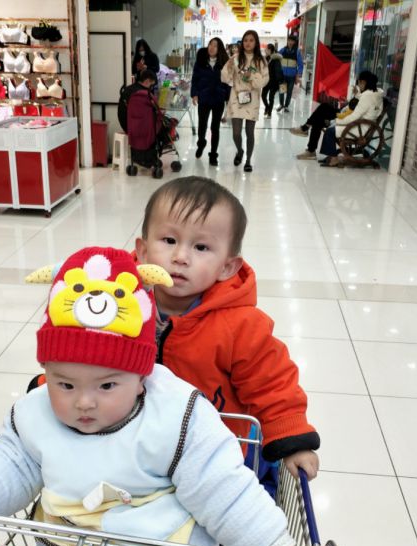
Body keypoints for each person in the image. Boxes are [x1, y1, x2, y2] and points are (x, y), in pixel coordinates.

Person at [0, 246, 298, 546]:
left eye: (106, 386)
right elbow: (13, 460)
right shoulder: (37, 413)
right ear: (46, 371)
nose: (84, 402)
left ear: (142, 377)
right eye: (65, 384)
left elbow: (220, 485)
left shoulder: (176, 415)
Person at [135, 177, 320, 481]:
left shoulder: (242, 326)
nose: (180, 257)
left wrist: (292, 439)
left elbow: (271, 383)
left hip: (215, 453)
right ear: (142, 251)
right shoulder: (119, 301)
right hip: (136, 441)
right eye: (168, 240)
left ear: (227, 267)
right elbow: (85, 349)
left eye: (201, 247)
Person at [291, 70, 383, 164]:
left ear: (363, 82)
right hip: (353, 120)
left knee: (322, 115)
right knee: (321, 113)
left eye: (358, 82)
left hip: (356, 126)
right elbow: (358, 108)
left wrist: (335, 121)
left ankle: (309, 140)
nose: (358, 85)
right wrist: (356, 96)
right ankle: (307, 137)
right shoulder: (373, 94)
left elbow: (355, 116)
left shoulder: (367, 97)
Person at [221, 30, 268, 172]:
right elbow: (225, 76)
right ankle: (240, 150)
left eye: (251, 40)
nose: (248, 43)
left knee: (249, 132)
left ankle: (248, 160)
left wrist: (252, 76)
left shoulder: (261, 60)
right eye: (245, 40)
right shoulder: (235, 58)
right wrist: (229, 68)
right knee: (236, 133)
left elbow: (264, 80)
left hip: (252, 99)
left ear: (256, 42)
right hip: (236, 98)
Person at [190, 37, 230, 166]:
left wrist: (227, 98)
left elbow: (228, 83)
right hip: (204, 98)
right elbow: (195, 79)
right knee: (202, 125)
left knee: (215, 128)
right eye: (210, 45)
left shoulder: (224, 63)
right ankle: (201, 143)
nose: (212, 48)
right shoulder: (201, 61)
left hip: (218, 99)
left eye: (215, 46)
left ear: (220, 49)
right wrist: (194, 94)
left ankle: (213, 154)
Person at [117, 68, 157, 134]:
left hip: (125, 123)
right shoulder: (141, 93)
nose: (151, 88)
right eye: (151, 85)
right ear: (147, 81)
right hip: (134, 127)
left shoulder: (129, 88)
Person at [277, 35, 303, 114]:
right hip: (283, 75)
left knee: (289, 92)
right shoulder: (283, 50)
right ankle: (281, 105)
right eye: (289, 40)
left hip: (292, 76)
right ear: (287, 41)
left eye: (292, 41)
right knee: (282, 91)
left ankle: (286, 106)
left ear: (294, 42)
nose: (290, 42)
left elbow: (300, 64)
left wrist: (298, 75)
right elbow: (276, 59)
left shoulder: (297, 52)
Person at [261, 43, 284, 118]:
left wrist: (279, 81)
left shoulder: (276, 59)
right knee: (263, 96)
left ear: (270, 50)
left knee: (271, 98)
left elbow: (278, 71)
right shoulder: (266, 58)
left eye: (267, 49)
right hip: (266, 81)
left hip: (274, 82)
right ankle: (267, 107)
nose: (265, 50)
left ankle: (269, 113)